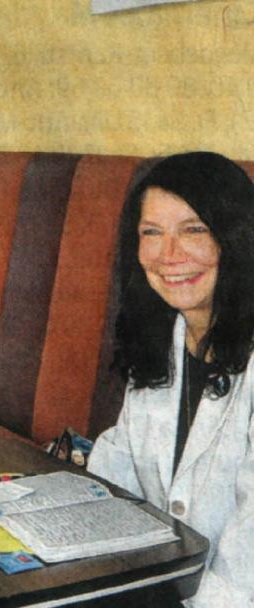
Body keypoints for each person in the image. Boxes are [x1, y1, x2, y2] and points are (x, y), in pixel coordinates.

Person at [87, 151, 254, 607]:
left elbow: (246, 565)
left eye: (194, 230)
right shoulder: (166, 335)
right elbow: (119, 463)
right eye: (152, 233)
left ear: (236, 237)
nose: (169, 256)